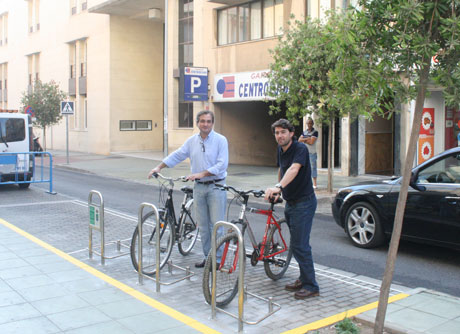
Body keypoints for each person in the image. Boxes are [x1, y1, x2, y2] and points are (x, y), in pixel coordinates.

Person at [148, 110, 228, 268]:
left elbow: (222, 165)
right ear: (197, 123)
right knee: (203, 227)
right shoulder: (192, 141)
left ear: (213, 123)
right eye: (202, 121)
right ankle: (208, 258)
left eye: (208, 121)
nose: (205, 124)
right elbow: (177, 155)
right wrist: (159, 167)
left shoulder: (221, 140)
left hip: (216, 187)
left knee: (217, 226)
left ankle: (217, 261)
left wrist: (201, 174)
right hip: (199, 188)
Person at [264, 118, 319, 300]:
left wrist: (279, 187)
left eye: (283, 132)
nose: (279, 136)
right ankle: (304, 278)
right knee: (296, 244)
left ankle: (311, 286)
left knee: (301, 245)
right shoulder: (281, 150)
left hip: (304, 203)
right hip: (291, 202)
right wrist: (279, 188)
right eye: (277, 133)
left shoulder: (300, 149)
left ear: (291, 134)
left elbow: (294, 169)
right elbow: (283, 169)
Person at [299, 117, 318, 189]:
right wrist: (307, 138)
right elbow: (299, 140)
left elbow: (311, 142)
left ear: (312, 124)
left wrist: (304, 139)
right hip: (304, 153)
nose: (309, 125)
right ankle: (306, 183)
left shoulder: (315, 132)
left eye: (310, 123)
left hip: (312, 153)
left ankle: (315, 184)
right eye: (308, 123)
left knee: (313, 168)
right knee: (304, 168)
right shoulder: (304, 132)